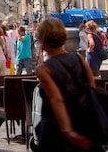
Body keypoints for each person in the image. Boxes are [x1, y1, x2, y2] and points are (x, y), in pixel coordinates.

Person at [34, 17, 103, 152]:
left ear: (43, 40)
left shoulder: (43, 69)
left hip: (55, 127)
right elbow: (92, 88)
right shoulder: (79, 58)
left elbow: (56, 99)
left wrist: (67, 131)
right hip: (82, 122)